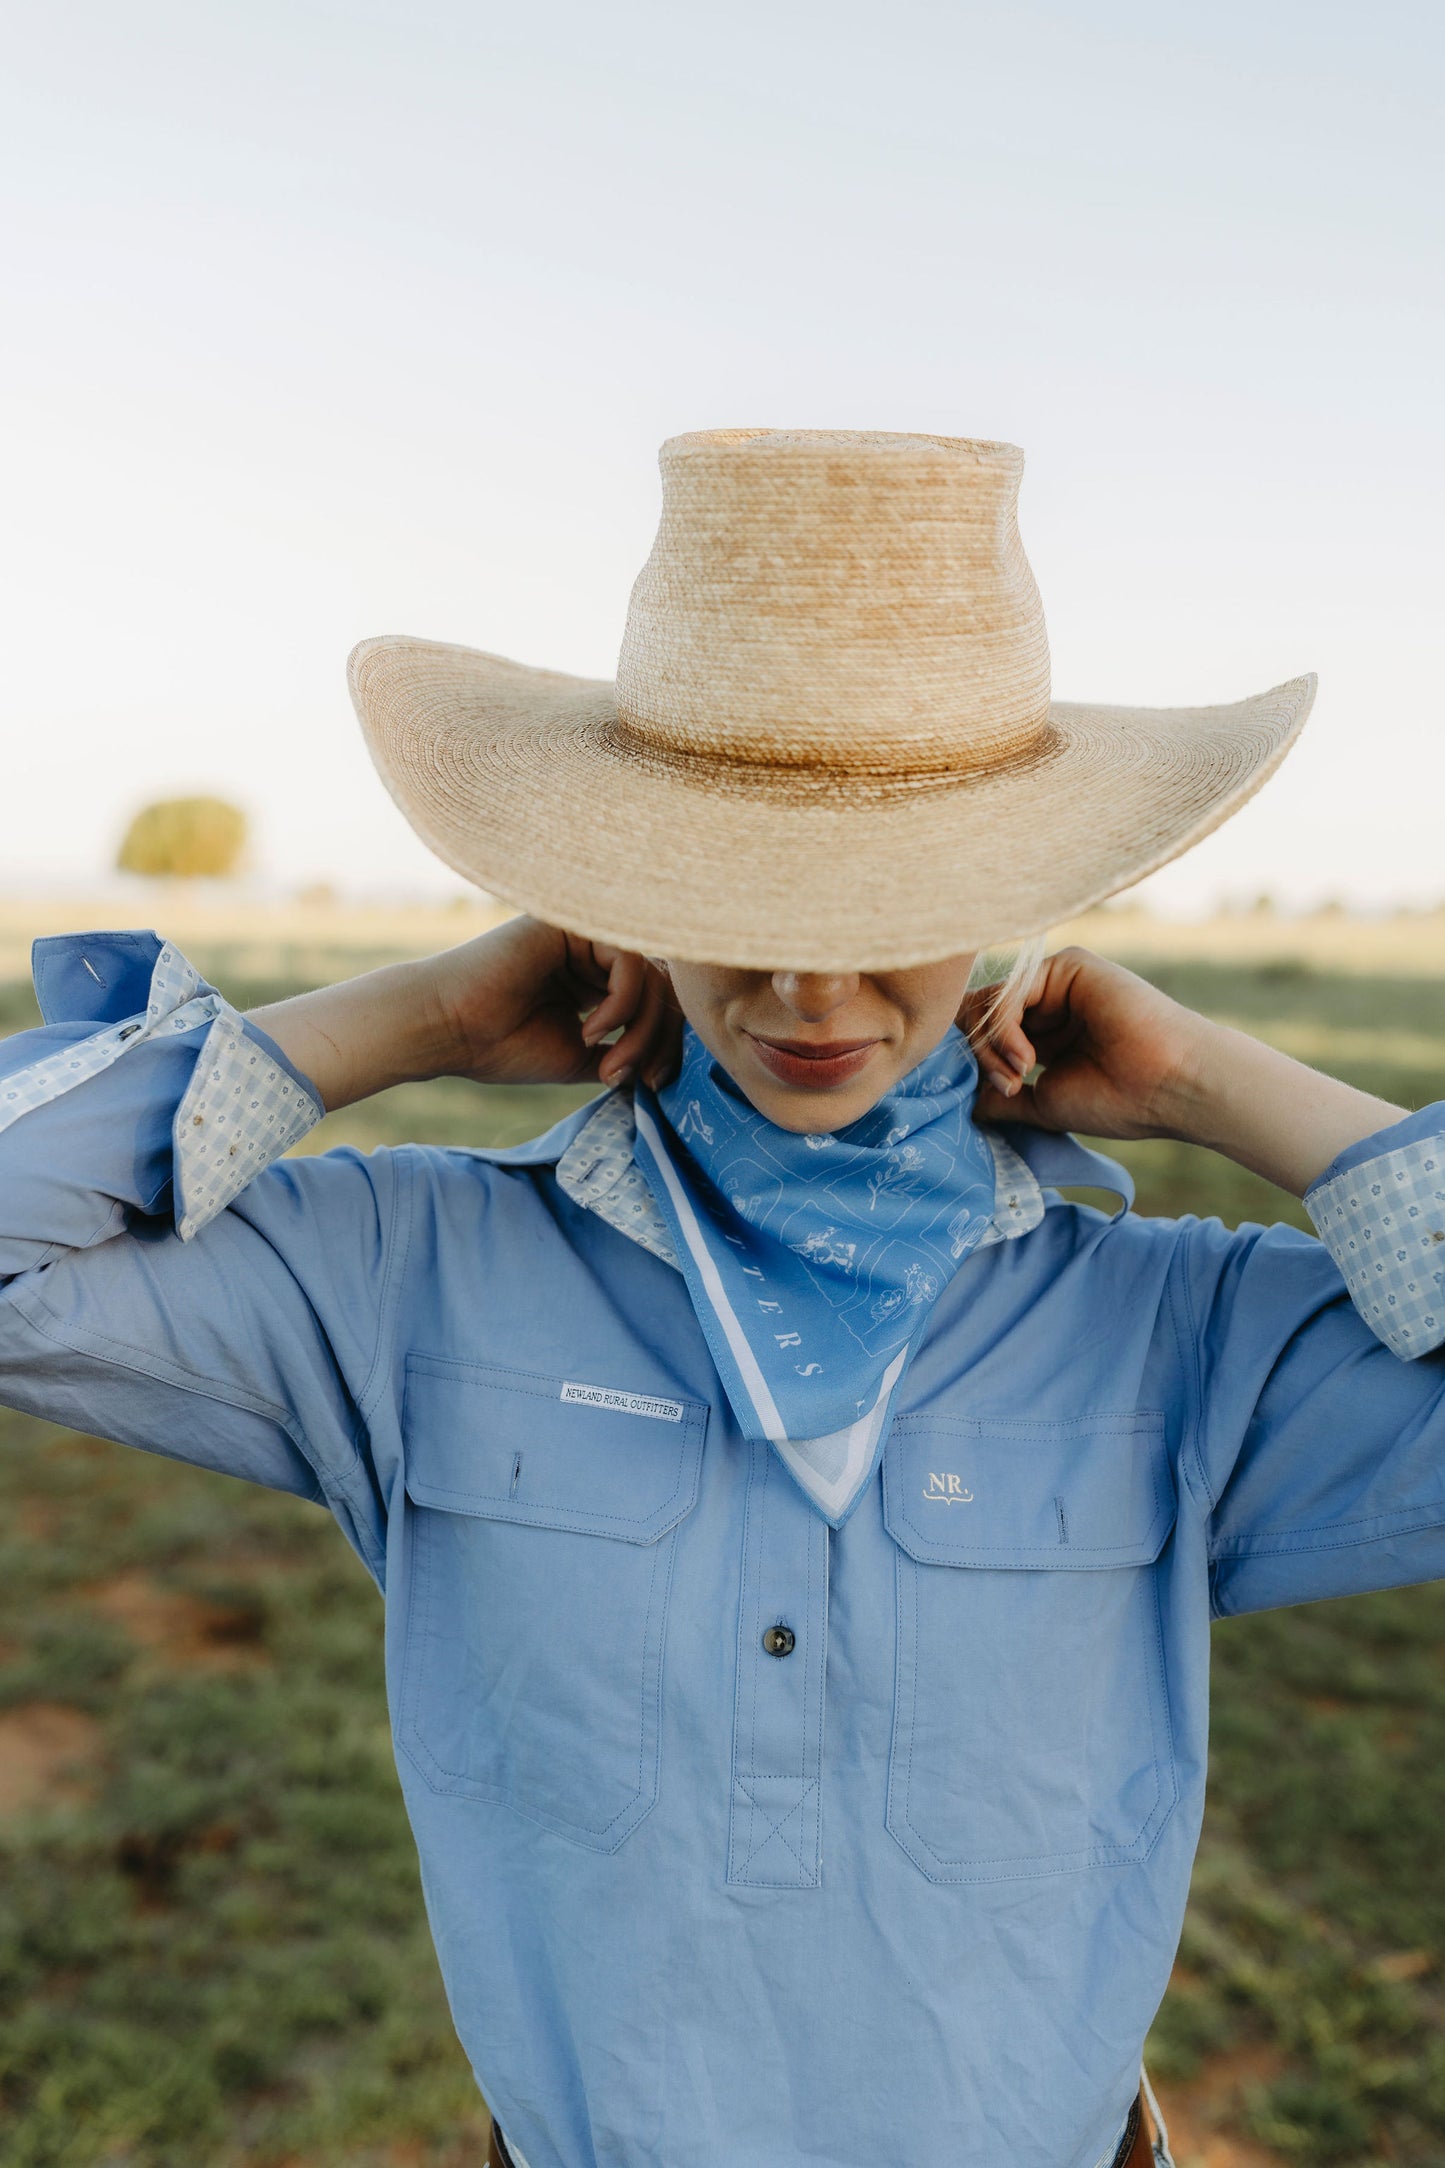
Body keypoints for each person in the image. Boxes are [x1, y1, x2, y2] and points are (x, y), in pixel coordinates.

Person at [2, 429, 1441, 2168]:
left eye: (900, 908)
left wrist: (1215, 1083)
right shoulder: (413, 1276)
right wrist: (424, 1022)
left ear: (1006, 909)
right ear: (617, 897)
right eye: (731, 898)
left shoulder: (1175, 1334)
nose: (807, 985)